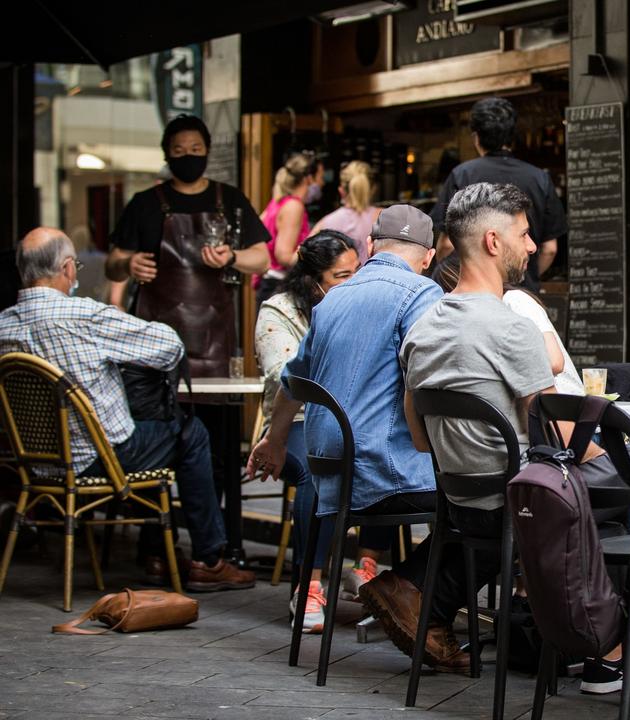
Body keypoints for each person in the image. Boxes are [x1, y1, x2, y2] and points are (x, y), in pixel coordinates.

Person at [401, 182, 630, 693]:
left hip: (464, 504)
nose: (533, 245)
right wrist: (623, 457)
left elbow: (422, 439)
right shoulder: (511, 328)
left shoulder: (421, 328)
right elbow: (565, 441)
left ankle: (619, 632)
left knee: (628, 476)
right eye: (524, 234)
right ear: (493, 242)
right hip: (529, 502)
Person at [245, 205, 454, 667]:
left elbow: (291, 383)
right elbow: (430, 381)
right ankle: (417, 604)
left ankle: (406, 598)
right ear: (428, 256)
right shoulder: (424, 292)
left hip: (328, 475)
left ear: (372, 248)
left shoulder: (331, 299)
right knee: (487, 503)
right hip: (388, 473)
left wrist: (274, 442)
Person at [0, 228, 255, 591]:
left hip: (38, 463)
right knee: (189, 433)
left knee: (149, 431)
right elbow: (168, 345)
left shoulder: (4, 325)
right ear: (68, 268)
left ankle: (156, 554)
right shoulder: (83, 316)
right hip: (100, 454)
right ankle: (209, 559)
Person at [252, 230, 391, 633]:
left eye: (357, 273)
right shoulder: (278, 311)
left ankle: (365, 567)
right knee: (321, 467)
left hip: (355, 418)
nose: (353, 284)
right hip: (295, 417)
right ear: (313, 282)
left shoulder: (366, 306)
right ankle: (308, 586)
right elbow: (287, 377)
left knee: (385, 451)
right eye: (340, 277)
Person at [106, 114, 270, 378]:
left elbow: (262, 261)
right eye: (179, 150)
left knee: (216, 416)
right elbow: (112, 268)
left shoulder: (231, 199)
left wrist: (232, 256)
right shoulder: (144, 203)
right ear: (167, 155)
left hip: (214, 337)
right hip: (154, 336)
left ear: (207, 151)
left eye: (195, 149)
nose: (188, 156)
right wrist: (127, 263)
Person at [430, 97, 567, 290]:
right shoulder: (539, 178)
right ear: (512, 136)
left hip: (473, 293)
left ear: (476, 137)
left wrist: (452, 278)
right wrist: (523, 275)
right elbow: (550, 249)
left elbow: (446, 245)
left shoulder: (461, 175)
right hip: (524, 291)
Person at [432, 253, 584, 395]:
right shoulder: (476, 321)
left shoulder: (514, 300)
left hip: (563, 403)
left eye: (451, 291)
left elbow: (555, 362)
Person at [257, 151, 324, 305]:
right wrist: (314, 237)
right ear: (309, 178)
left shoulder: (278, 202)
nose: (322, 183)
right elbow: (284, 257)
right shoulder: (294, 206)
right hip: (280, 286)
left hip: (271, 284)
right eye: (320, 177)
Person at [310, 160, 380, 265]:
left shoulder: (326, 223)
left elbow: (302, 255)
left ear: (341, 191)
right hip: (375, 280)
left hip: (338, 281)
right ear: (373, 189)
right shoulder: (384, 218)